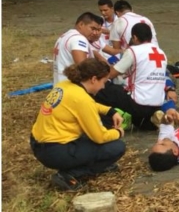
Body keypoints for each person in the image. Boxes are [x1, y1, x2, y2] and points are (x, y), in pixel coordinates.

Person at [30, 59, 126, 192]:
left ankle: (84, 164)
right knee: (116, 147)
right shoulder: (82, 99)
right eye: (103, 82)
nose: (103, 87)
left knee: (90, 138)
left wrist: (109, 111)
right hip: (55, 151)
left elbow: (87, 105)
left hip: (39, 143)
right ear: (93, 79)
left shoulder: (65, 85)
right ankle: (71, 174)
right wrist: (119, 132)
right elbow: (100, 137)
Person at [94, 23, 171, 130]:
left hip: (138, 103)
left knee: (100, 88)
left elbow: (111, 74)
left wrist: (99, 57)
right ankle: (152, 119)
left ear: (134, 37)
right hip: (157, 103)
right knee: (141, 123)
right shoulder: (161, 52)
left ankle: (107, 123)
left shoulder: (133, 51)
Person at [52, 12, 106, 84]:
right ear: (81, 24)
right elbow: (84, 67)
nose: (95, 33)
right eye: (92, 28)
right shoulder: (79, 39)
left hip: (61, 83)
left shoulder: (66, 35)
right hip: (72, 86)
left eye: (97, 30)